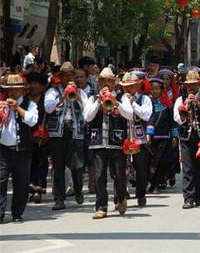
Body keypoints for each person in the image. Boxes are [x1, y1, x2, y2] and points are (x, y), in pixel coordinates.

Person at [83, 68, 131, 219]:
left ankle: (121, 197)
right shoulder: (92, 98)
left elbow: (129, 114)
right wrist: (99, 101)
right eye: (103, 80)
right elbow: (87, 117)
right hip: (98, 142)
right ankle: (101, 206)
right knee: (99, 175)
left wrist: (115, 102)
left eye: (109, 81)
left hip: (117, 142)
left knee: (118, 174)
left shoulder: (122, 97)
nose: (106, 83)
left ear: (114, 83)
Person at [45, 61, 88, 210]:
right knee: (58, 166)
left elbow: (87, 112)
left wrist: (78, 97)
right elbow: (48, 108)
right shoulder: (53, 91)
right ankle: (59, 199)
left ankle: (78, 189)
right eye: (66, 75)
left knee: (77, 166)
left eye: (71, 75)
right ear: (61, 76)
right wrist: (62, 97)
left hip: (74, 131)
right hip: (58, 133)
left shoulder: (81, 92)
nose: (69, 78)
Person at [0, 74, 38, 222]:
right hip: (3, 149)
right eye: (10, 90)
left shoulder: (30, 104)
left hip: (23, 150)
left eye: (15, 90)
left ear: (22, 90)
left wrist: (17, 108)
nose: (12, 93)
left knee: (21, 183)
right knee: (0, 181)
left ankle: (17, 213)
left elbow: (32, 121)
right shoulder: (2, 104)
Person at [174, 70, 200, 209]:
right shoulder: (180, 99)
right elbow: (177, 118)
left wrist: (198, 104)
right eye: (189, 85)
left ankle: (199, 196)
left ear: (199, 85)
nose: (191, 88)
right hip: (186, 137)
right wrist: (185, 107)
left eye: (194, 85)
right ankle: (188, 197)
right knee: (187, 168)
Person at [119, 71, 153, 207]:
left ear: (137, 86)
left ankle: (141, 194)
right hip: (122, 137)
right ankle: (121, 193)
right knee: (121, 168)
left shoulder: (145, 99)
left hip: (139, 139)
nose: (129, 89)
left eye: (132, 86)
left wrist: (133, 104)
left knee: (141, 169)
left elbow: (146, 115)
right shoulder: (118, 98)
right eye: (126, 87)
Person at [146, 78, 178, 193]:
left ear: (161, 90)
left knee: (160, 162)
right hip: (150, 138)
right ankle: (151, 182)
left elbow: (172, 122)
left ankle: (157, 183)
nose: (154, 92)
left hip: (164, 138)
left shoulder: (167, 105)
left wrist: (174, 136)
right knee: (150, 161)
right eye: (152, 89)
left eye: (157, 89)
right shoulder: (147, 104)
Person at [26, 72, 48, 204]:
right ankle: (30, 188)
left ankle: (38, 190)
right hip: (25, 135)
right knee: (28, 163)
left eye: (36, 83)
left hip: (42, 136)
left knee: (41, 163)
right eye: (31, 83)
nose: (32, 86)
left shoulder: (46, 100)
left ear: (42, 86)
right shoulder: (24, 99)